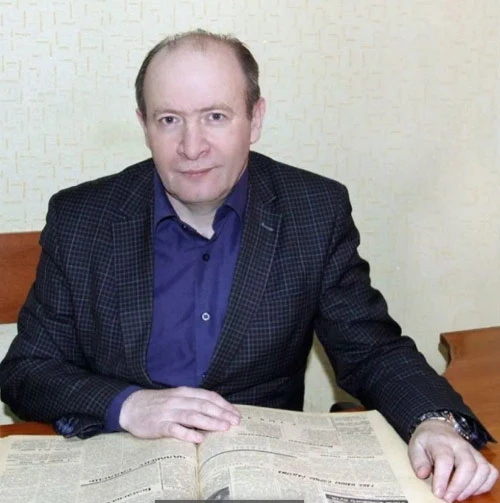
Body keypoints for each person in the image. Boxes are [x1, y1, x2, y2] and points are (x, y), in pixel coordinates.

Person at [0, 29, 497, 502]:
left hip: (261, 474)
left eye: (215, 116)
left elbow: (372, 351)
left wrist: (434, 421)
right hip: (119, 470)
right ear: (144, 125)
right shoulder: (82, 218)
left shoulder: (313, 212)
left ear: (255, 119)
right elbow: (27, 371)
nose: (191, 147)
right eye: (169, 120)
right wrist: (128, 405)